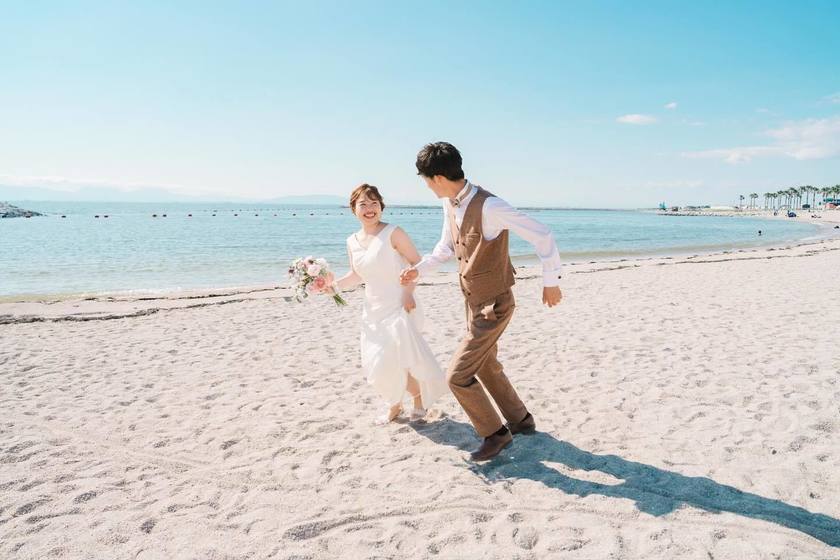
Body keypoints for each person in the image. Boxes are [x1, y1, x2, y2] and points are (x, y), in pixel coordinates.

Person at [400, 142, 563, 461]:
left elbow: (542, 234)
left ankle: (495, 434)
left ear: (436, 178)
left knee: (458, 376)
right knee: (486, 364)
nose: (426, 187)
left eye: (425, 180)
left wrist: (550, 282)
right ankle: (521, 421)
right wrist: (417, 271)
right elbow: (445, 248)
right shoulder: (449, 204)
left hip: (495, 303)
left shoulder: (490, 206)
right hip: (472, 301)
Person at [333, 184, 448, 424]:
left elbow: (417, 264)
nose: (369, 208)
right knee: (378, 362)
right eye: (363, 204)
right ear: (353, 208)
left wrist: (408, 293)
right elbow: (356, 275)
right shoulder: (352, 241)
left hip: (399, 304)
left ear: (381, 207)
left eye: (374, 203)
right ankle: (394, 404)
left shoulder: (394, 233)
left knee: (399, 358)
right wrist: (331, 286)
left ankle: (416, 401)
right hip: (372, 309)